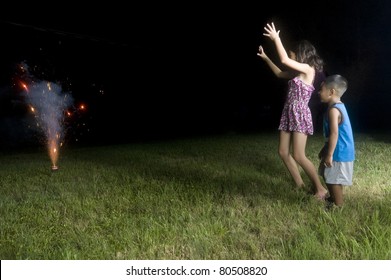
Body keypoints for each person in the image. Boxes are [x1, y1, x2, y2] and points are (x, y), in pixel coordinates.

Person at [257, 22, 328, 199]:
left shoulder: (308, 69)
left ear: (301, 54)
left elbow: (284, 60)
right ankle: (299, 184)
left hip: (300, 113)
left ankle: (320, 189)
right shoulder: (297, 73)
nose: (290, 54)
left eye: (292, 52)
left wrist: (276, 39)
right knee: (282, 152)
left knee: (298, 155)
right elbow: (280, 73)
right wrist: (266, 58)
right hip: (288, 112)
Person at [318, 74, 355, 208]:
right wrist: (325, 149)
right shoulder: (337, 107)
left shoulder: (334, 110)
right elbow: (330, 135)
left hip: (339, 152)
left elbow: (334, 133)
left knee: (334, 179)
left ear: (331, 92)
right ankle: (333, 198)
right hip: (336, 149)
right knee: (326, 173)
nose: (318, 92)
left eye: (321, 89)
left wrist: (330, 154)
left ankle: (338, 206)